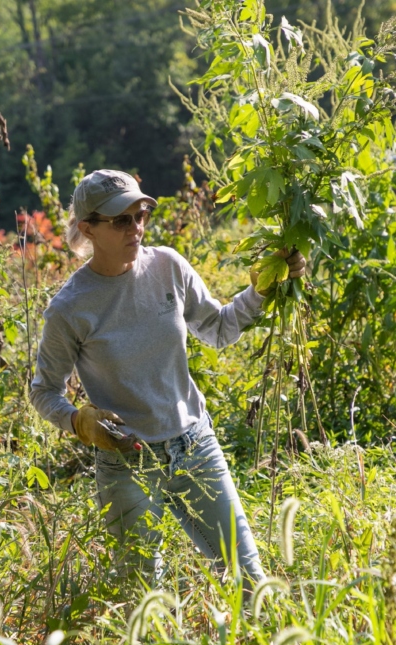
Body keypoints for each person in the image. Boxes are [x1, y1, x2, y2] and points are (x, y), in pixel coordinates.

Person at [30, 169, 305, 590]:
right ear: (88, 229)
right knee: (144, 597)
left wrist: (265, 286)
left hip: (194, 445)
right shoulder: (69, 308)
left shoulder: (168, 266)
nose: (136, 227)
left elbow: (218, 328)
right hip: (127, 462)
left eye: (141, 214)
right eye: (121, 220)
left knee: (249, 579)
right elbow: (44, 391)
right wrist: (78, 421)